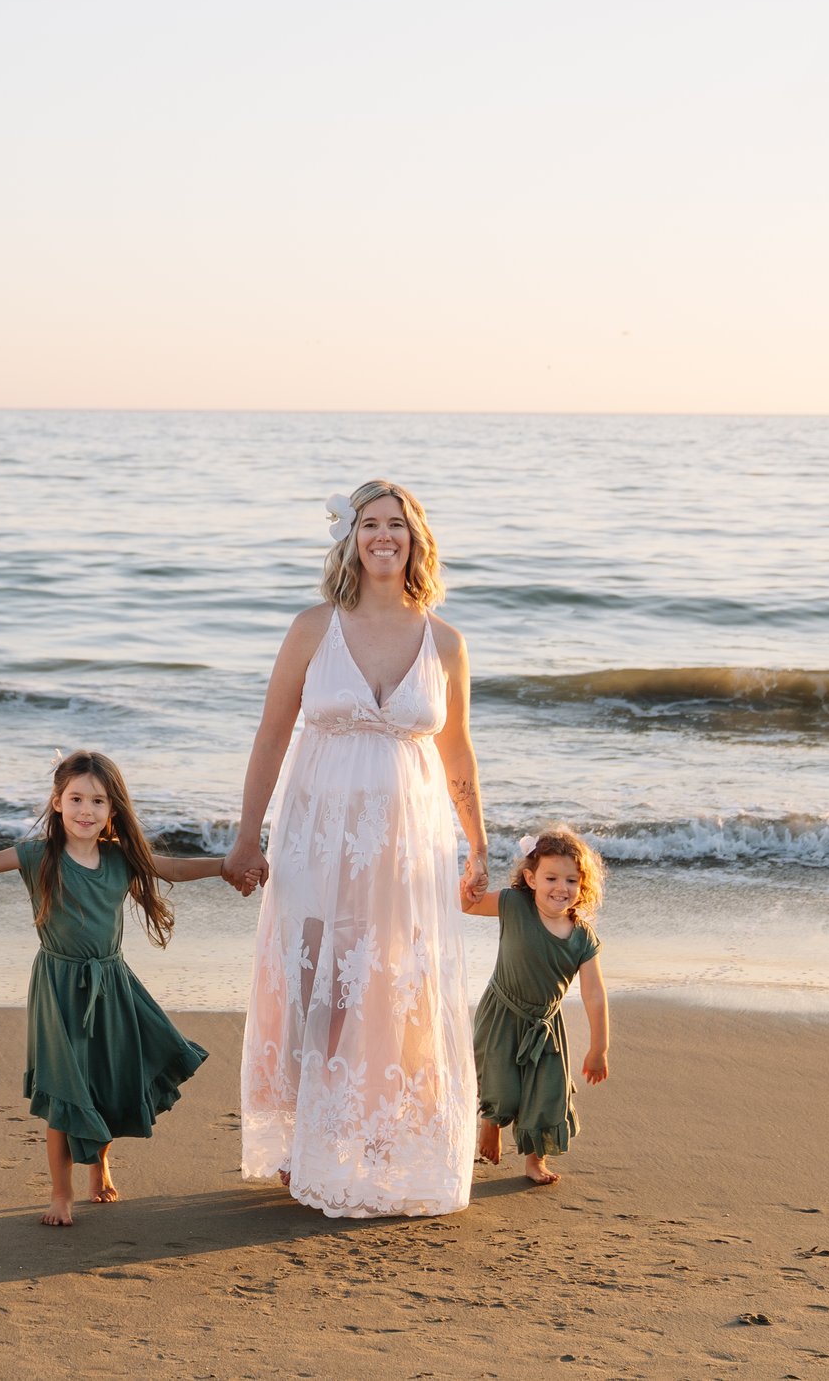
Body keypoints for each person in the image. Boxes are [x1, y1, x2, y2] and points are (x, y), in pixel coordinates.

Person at [223, 480, 493, 1218]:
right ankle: (309, 1136)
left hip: (408, 843)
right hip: (318, 832)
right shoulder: (315, 627)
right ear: (350, 537)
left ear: (416, 539)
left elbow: (458, 754)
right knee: (316, 980)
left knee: (395, 982)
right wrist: (249, 833)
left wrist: (478, 845)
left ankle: (379, 1136)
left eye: (395, 525)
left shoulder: (445, 642)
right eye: (370, 523)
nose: (383, 536)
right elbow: (273, 734)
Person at [0, 750, 230, 1226]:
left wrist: (227, 864)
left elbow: (170, 869)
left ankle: (101, 1167)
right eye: (75, 798)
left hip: (111, 983)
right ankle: (60, 1194)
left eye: (97, 801)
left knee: (106, 1079)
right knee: (64, 1088)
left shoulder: (121, 859)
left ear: (113, 809)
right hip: (57, 988)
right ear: (56, 802)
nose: (85, 810)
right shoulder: (38, 856)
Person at [465, 828, 610, 1186]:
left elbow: (594, 994)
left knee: (546, 1095)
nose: (561, 887)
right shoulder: (514, 905)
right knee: (502, 1086)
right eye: (551, 878)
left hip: (545, 1026)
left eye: (571, 880)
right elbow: (467, 904)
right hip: (502, 1014)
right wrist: (471, 877)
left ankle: (534, 1161)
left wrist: (598, 1048)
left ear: (583, 885)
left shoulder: (581, 937)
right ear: (531, 878)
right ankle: (492, 1123)